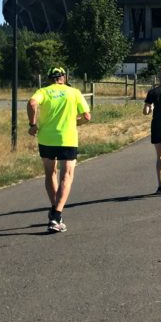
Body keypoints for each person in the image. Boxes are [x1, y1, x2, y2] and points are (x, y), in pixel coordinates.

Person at [28, 66, 91, 233]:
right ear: (64, 77)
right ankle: (56, 215)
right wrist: (74, 122)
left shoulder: (44, 91)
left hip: (46, 138)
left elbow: (32, 103)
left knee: (51, 173)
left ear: (50, 78)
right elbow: (86, 116)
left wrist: (33, 125)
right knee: (67, 175)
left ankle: (55, 209)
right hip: (67, 138)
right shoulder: (74, 92)